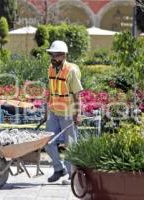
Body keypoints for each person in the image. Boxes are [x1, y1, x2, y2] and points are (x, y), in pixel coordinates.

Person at [44, 40, 83, 184]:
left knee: (70, 145)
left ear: (63, 55)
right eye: (52, 54)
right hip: (54, 112)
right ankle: (59, 169)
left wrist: (77, 114)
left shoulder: (71, 71)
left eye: (55, 55)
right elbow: (50, 90)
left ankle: (71, 175)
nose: (53, 57)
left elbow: (77, 95)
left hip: (68, 113)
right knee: (47, 142)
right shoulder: (51, 68)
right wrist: (46, 110)